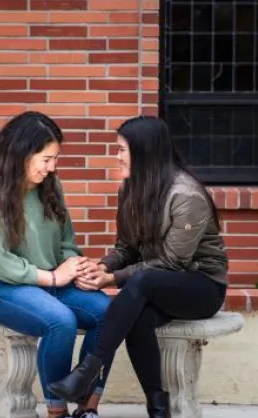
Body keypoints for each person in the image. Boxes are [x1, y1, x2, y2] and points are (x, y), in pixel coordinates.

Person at [48, 116, 229, 418]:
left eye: (122, 149)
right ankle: (158, 408)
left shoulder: (186, 195)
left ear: (145, 151)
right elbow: (126, 248)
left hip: (200, 285)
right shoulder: (131, 189)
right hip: (152, 284)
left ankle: (85, 371)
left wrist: (113, 279)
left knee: (141, 283)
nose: (117, 156)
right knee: (136, 317)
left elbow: (173, 262)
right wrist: (101, 267)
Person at [0, 111, 115, 418]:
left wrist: (74, 267)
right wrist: (52, 277)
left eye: (55, 159)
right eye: (46, 159)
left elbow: (66, 238)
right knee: (60, 321)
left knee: (109, 313)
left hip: (52, 281)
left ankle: (88, 406)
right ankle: (57, 410)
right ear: (22, 153)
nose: (52, 167)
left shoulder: (50, 186)